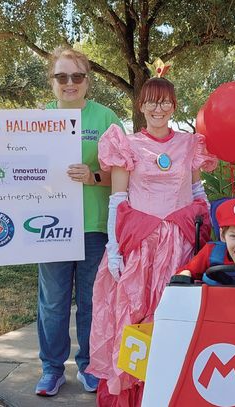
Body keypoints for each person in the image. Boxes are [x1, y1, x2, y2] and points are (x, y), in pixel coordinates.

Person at [86, 73, 218, 406]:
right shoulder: (126, 144)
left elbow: (197, 191)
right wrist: (113, 250)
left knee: (172, 314)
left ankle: (172, 387)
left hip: (178, 245)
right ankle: (137, 392)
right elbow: (118, 198)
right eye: (151, 101)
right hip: (140, 246)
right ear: (141, 105)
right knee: (135, 315)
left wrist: (209, 228)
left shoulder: (189, 144)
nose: (157, 107)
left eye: (164, 101)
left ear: (174, 105)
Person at [35, 47, 123, 396]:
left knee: (90, 300)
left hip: (93, 226)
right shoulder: (37, 120)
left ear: (88, 81)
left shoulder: (106, 119)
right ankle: (52, 369)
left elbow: (121, 173)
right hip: (48, 226)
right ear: (52, 81)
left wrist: (93, 177)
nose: (69, 83)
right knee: (53, 301)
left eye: (77, 76)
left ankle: (90, 365)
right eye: (61, 77)